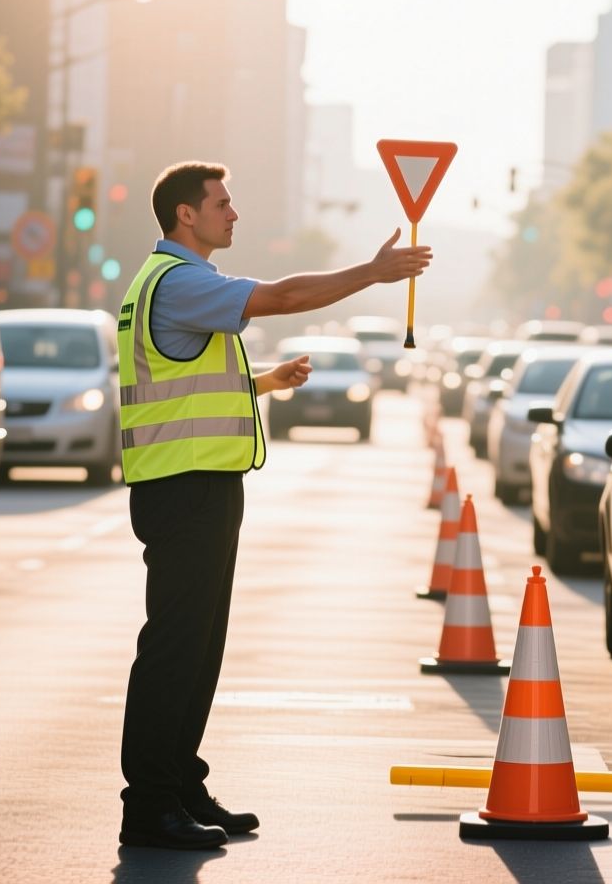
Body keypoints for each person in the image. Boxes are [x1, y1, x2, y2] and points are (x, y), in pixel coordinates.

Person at [116, 161, 431, 850]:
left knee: (197, 649)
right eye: (221, 204)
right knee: (174, 651)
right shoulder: (181, 280)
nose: (233, 214)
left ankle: (180, 786)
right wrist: (370, 274)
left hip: (192, 482)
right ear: (185, 215)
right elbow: (283, 297)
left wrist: (262, 382)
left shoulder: (160, 282)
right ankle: (149, 806)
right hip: (186, 485)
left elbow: (182, 379)